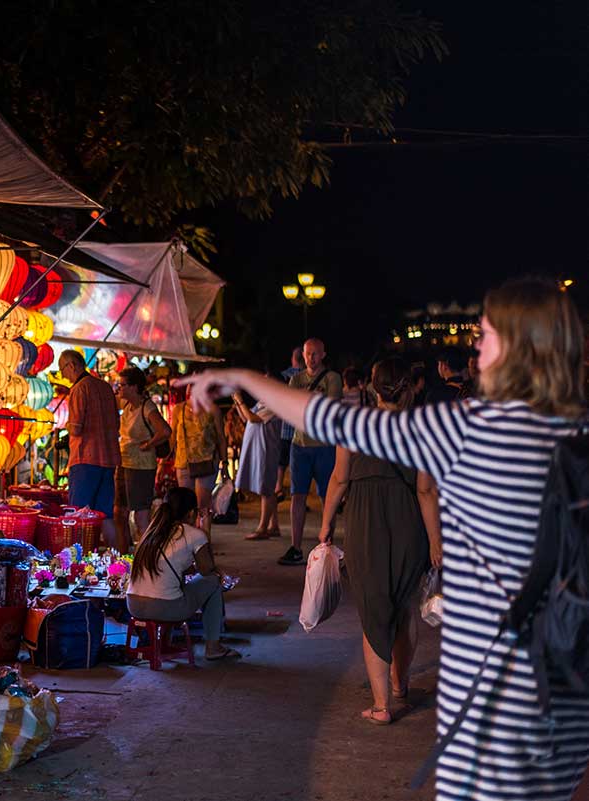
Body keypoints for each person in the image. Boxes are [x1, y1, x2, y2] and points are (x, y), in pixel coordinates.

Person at [185, 277, 588, 801]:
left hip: (494, 708)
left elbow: (332, 420)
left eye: (485, 335)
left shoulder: (471, 427)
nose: (476, 347)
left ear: (516, 345)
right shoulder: (576, 436)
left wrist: (243, 378)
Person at [317, 358, 442, 725]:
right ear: (408, 388)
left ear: (372, 388)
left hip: (364, 522)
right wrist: (436, 541)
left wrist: (325, 525)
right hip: (408, 522)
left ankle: (382, 705)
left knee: (374, 612)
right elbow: (426, 490)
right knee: (404, 607)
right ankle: (400, 685)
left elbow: (339, 480)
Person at [127, 487, 241, 661]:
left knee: (172, 585)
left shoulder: (151, 531)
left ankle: (166, 641)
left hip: (133, 605)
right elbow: (207, 569)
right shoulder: (193, 534)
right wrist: (206, 531)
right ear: (190, 513)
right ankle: (213, 646)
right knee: (213, 581)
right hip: (165, 608)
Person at [282, 339, 342, 565]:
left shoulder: (332, 378)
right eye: (308, 354)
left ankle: (328, 546)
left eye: (315, 354)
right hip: (300, 445)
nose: (311, 358)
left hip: (324, 446)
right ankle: (295, 547)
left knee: (328, 497)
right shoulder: (296, 379)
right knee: (297, 496)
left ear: (323, 354)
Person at [59, 349, 120, 548]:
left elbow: (76, 428)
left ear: (72, 365)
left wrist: (66, 428)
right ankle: (115, 559)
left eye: (62, 369)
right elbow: (116, 424)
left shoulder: (79, 389)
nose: (62, 375)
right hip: (109, 459)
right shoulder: (105, 387)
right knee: (106, 515)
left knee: (78, 515)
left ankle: (80, 562)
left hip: (85, 459)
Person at [114, 366, 171, 550]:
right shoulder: (126, 405)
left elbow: (165, 431)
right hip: (124, 463)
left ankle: (149, 555)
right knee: (119, 512)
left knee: (140, 515)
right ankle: (124, 555)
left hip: (141, 467)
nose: (119, 388)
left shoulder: (147, 407)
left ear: (134, 387)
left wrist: (148, 444)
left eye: (122, 385)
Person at [171, 380, 225, 541]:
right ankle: (188, 543)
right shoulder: (178, 409)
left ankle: (204, 542)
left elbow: (221, 437)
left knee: (203, 506)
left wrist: (225, 462)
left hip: (207, 461)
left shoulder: (212, 409)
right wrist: (165, 460)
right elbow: (172, 437)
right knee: (185, 505)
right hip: (183, 461)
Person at [232, 389, 281, 539]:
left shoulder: (275, 403)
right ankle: (273, 525)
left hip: (266, 449)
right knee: (266, 487)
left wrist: (240, 401)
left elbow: (253, 419)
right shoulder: (262, 402)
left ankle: (262, 528)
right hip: (259, 448)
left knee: (266, 487)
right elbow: (245, 417)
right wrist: (237, 403)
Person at [277, 347, 305, 496]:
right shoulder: (307, 377)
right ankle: (298, 493)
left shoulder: (284, 376)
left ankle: (278, 488)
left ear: (293, 359)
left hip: (284, 426)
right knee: (297, 464)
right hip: (300, 428)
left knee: (281, 463)